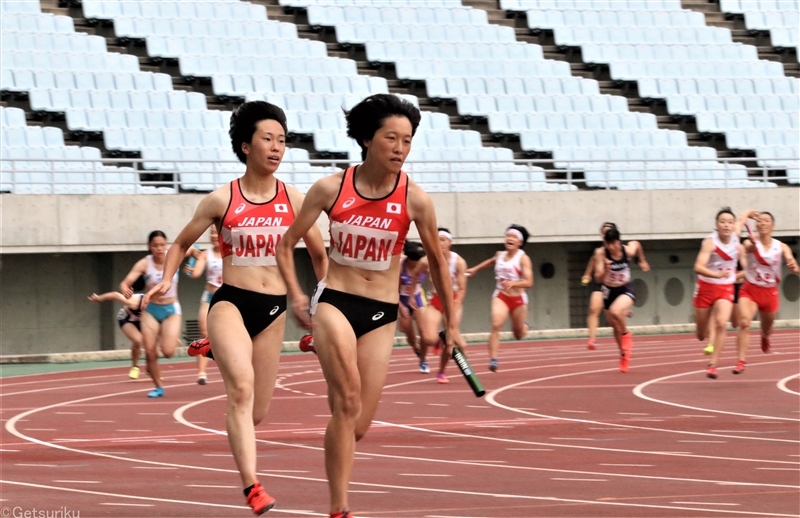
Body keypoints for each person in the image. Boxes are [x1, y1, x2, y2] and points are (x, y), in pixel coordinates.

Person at [275, 93, 466, 518]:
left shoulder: (416, 199)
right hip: (337, 301)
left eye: (408, 140)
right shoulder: (330, 188)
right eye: (391, 138)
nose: (400, 148)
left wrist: (451, 326)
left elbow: (437, 262)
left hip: (381, 313)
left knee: (357, 425)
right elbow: (287, 244)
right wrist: (297, 294)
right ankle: (339, 509)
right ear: (367, 138)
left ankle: (324, 350)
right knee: (346, 400)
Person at [144, 101, 328, 515]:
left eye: (282, 140)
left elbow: (319, 254)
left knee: (258, 412)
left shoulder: (296, 200)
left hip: (273, 311)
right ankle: (252, 487)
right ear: (246, 146)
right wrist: (165, 280)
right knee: (240, 388)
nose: (277, 148)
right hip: (230, 303)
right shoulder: (221, 199)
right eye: (268, 139)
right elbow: (180, 243)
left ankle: (216, 348)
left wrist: (324, 301)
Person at [734, 211, 799, 372]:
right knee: (744, 322)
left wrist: (793, 266)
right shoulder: (750, 243)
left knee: (768, 328)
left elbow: (791, 261)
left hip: (770, 293)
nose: (763, 223)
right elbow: (747, 248)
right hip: (750, 290)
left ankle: (765, 336)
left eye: (767, 220)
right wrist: (752, 245)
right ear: (756, 225)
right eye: (760, 221)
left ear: (772, 225)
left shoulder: (781, 246)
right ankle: (741, 361)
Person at [120, 230, 181, 398]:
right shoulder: (144, 264)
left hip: (171, 309)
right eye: (155, 245)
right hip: (151, 309)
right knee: (149, 351)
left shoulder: (174, 256)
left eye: (162, 245)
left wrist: (193, 263)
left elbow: (193, 250)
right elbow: (125, 283)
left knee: (168, 352)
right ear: (149, 246)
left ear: (166, 245)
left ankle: (164, 339)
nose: (159, 249)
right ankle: (158, 387)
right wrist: (126, 291)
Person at [465, 225, 533, 372]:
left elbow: (529, 282)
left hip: (518, 299)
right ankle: (493, 359)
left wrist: (514, 283)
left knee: (518, 334)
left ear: (519, 242)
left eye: (514, 237)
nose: (509, 239)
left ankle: (525, 325)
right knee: (496, 324)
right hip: (501, 296)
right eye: (508, 236)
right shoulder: (500, 255)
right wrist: (475, 269)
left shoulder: (523, 258)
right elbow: (491, 262)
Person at [693, 207, 747, 379]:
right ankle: (704, 332)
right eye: (722, 222)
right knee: (701, 335)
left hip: (725, 287)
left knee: (722, 323)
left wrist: (751, 213)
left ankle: (713, 365)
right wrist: (716, 274)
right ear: (717, 225)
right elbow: (698, 267)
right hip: (706, 286)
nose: (726, 225)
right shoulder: (710, 242)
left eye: (729, 222)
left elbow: (741, 220)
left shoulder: (736, 236)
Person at [591, 227, 650, 373]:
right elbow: (598, 278)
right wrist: (605, 268)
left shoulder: (627, 251)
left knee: (616, 311)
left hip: (625, 289)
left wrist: (641, 260)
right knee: (614, 326)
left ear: (619, 241)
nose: (611, 247)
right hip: (608, 291)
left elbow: (636, 244)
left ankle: (626, 335)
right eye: (608, 243)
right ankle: (623, 355)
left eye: (614, 243)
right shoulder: (601, 253)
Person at [414, 228, 468, 383]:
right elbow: (415, 275)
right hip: (436, 301)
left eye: (444, 239)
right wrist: (412, 293)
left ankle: (442, 372)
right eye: (438, 240)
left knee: (459, 345)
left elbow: (463, 288)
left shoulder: (459, 262)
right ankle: (439, 337)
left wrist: (456, 304)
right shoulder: (426, 261)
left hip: (453, 301)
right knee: (429, 338)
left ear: (450, 242)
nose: (441, 243)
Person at [184, 226, 223, 385]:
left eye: (216, 232)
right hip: (209, 296)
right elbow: (197, 272)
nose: (214, 236)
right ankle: (202, 373)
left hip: (227, 298)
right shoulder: (206, 254)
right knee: (205, 333)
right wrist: (191, 272)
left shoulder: (231, 252)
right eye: (211, 233)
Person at [88, 290, 144, 379]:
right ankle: (135, 367)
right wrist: (98, 298)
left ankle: (152, 368)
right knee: (137, 340)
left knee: (152, 342)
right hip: (127, 319)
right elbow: (115, 295)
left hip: (142, 320)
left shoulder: (157, 308)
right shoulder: (135, 301)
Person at [581, 222, 617, 350]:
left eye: (608, 232)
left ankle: (623, 338)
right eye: (603, 232)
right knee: (593, 309)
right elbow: (593, 260)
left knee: (613, 319)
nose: (605, 235)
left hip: (615, 286)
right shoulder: (599, 251)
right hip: (600, 284)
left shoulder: (620, 250)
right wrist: (587, 274)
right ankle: (592, 340)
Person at [396, 241, 429, 370]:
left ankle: (423, 360)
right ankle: (415, 347)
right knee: (407, 331)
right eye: (416, 261)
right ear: (409, 259)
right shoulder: (400, 266)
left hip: (417, 297)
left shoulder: (424, 264)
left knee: (423, 331)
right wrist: (401, 306)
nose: (419, 263)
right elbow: (392, 288)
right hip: (401, 298)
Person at [703, 260, 746, 356]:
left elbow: (748, 270)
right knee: (715, 313)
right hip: (721, 286)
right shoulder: (716, 252)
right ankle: (711, 344)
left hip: (737, 286)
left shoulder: (739, 251)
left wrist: (733, 276)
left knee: (736, 323)